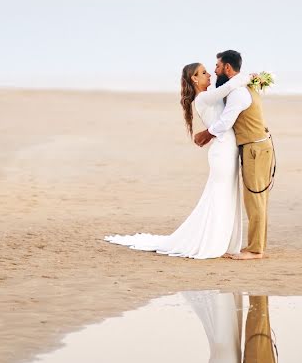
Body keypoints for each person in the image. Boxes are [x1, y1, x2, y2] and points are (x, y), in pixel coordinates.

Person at [104, 64, 248, 259]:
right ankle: (214, 242)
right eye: (203, 73)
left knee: (225, 195)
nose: (209, 74)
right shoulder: (204, 97)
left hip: (227, 149)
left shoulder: (209, 96)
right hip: (222, 152)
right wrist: (252, 77)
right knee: (219, 196)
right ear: (194, 79)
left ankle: (222, 240)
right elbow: (230, 87)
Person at [193, 50, 275, 260]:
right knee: (258, 198)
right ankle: (258, 245)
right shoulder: (242, 86)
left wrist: (206, 134)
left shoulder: (238, 92)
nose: (215, 70)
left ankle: (256, 250)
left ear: (227, 68)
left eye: (218, 66)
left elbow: (226, 122)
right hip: (257, 146)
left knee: (254, 199)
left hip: (254, 149)